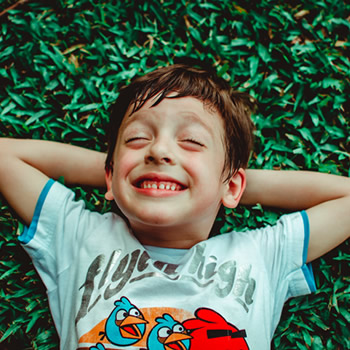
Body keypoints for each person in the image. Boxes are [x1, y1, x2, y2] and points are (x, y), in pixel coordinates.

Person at [0, 64, 349, 350]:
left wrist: (226, 179)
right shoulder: (79, 237)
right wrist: (119, 169)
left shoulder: (259, 254)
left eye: (192, 141)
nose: (158, 151)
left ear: (232, 186)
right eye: (137, 139)